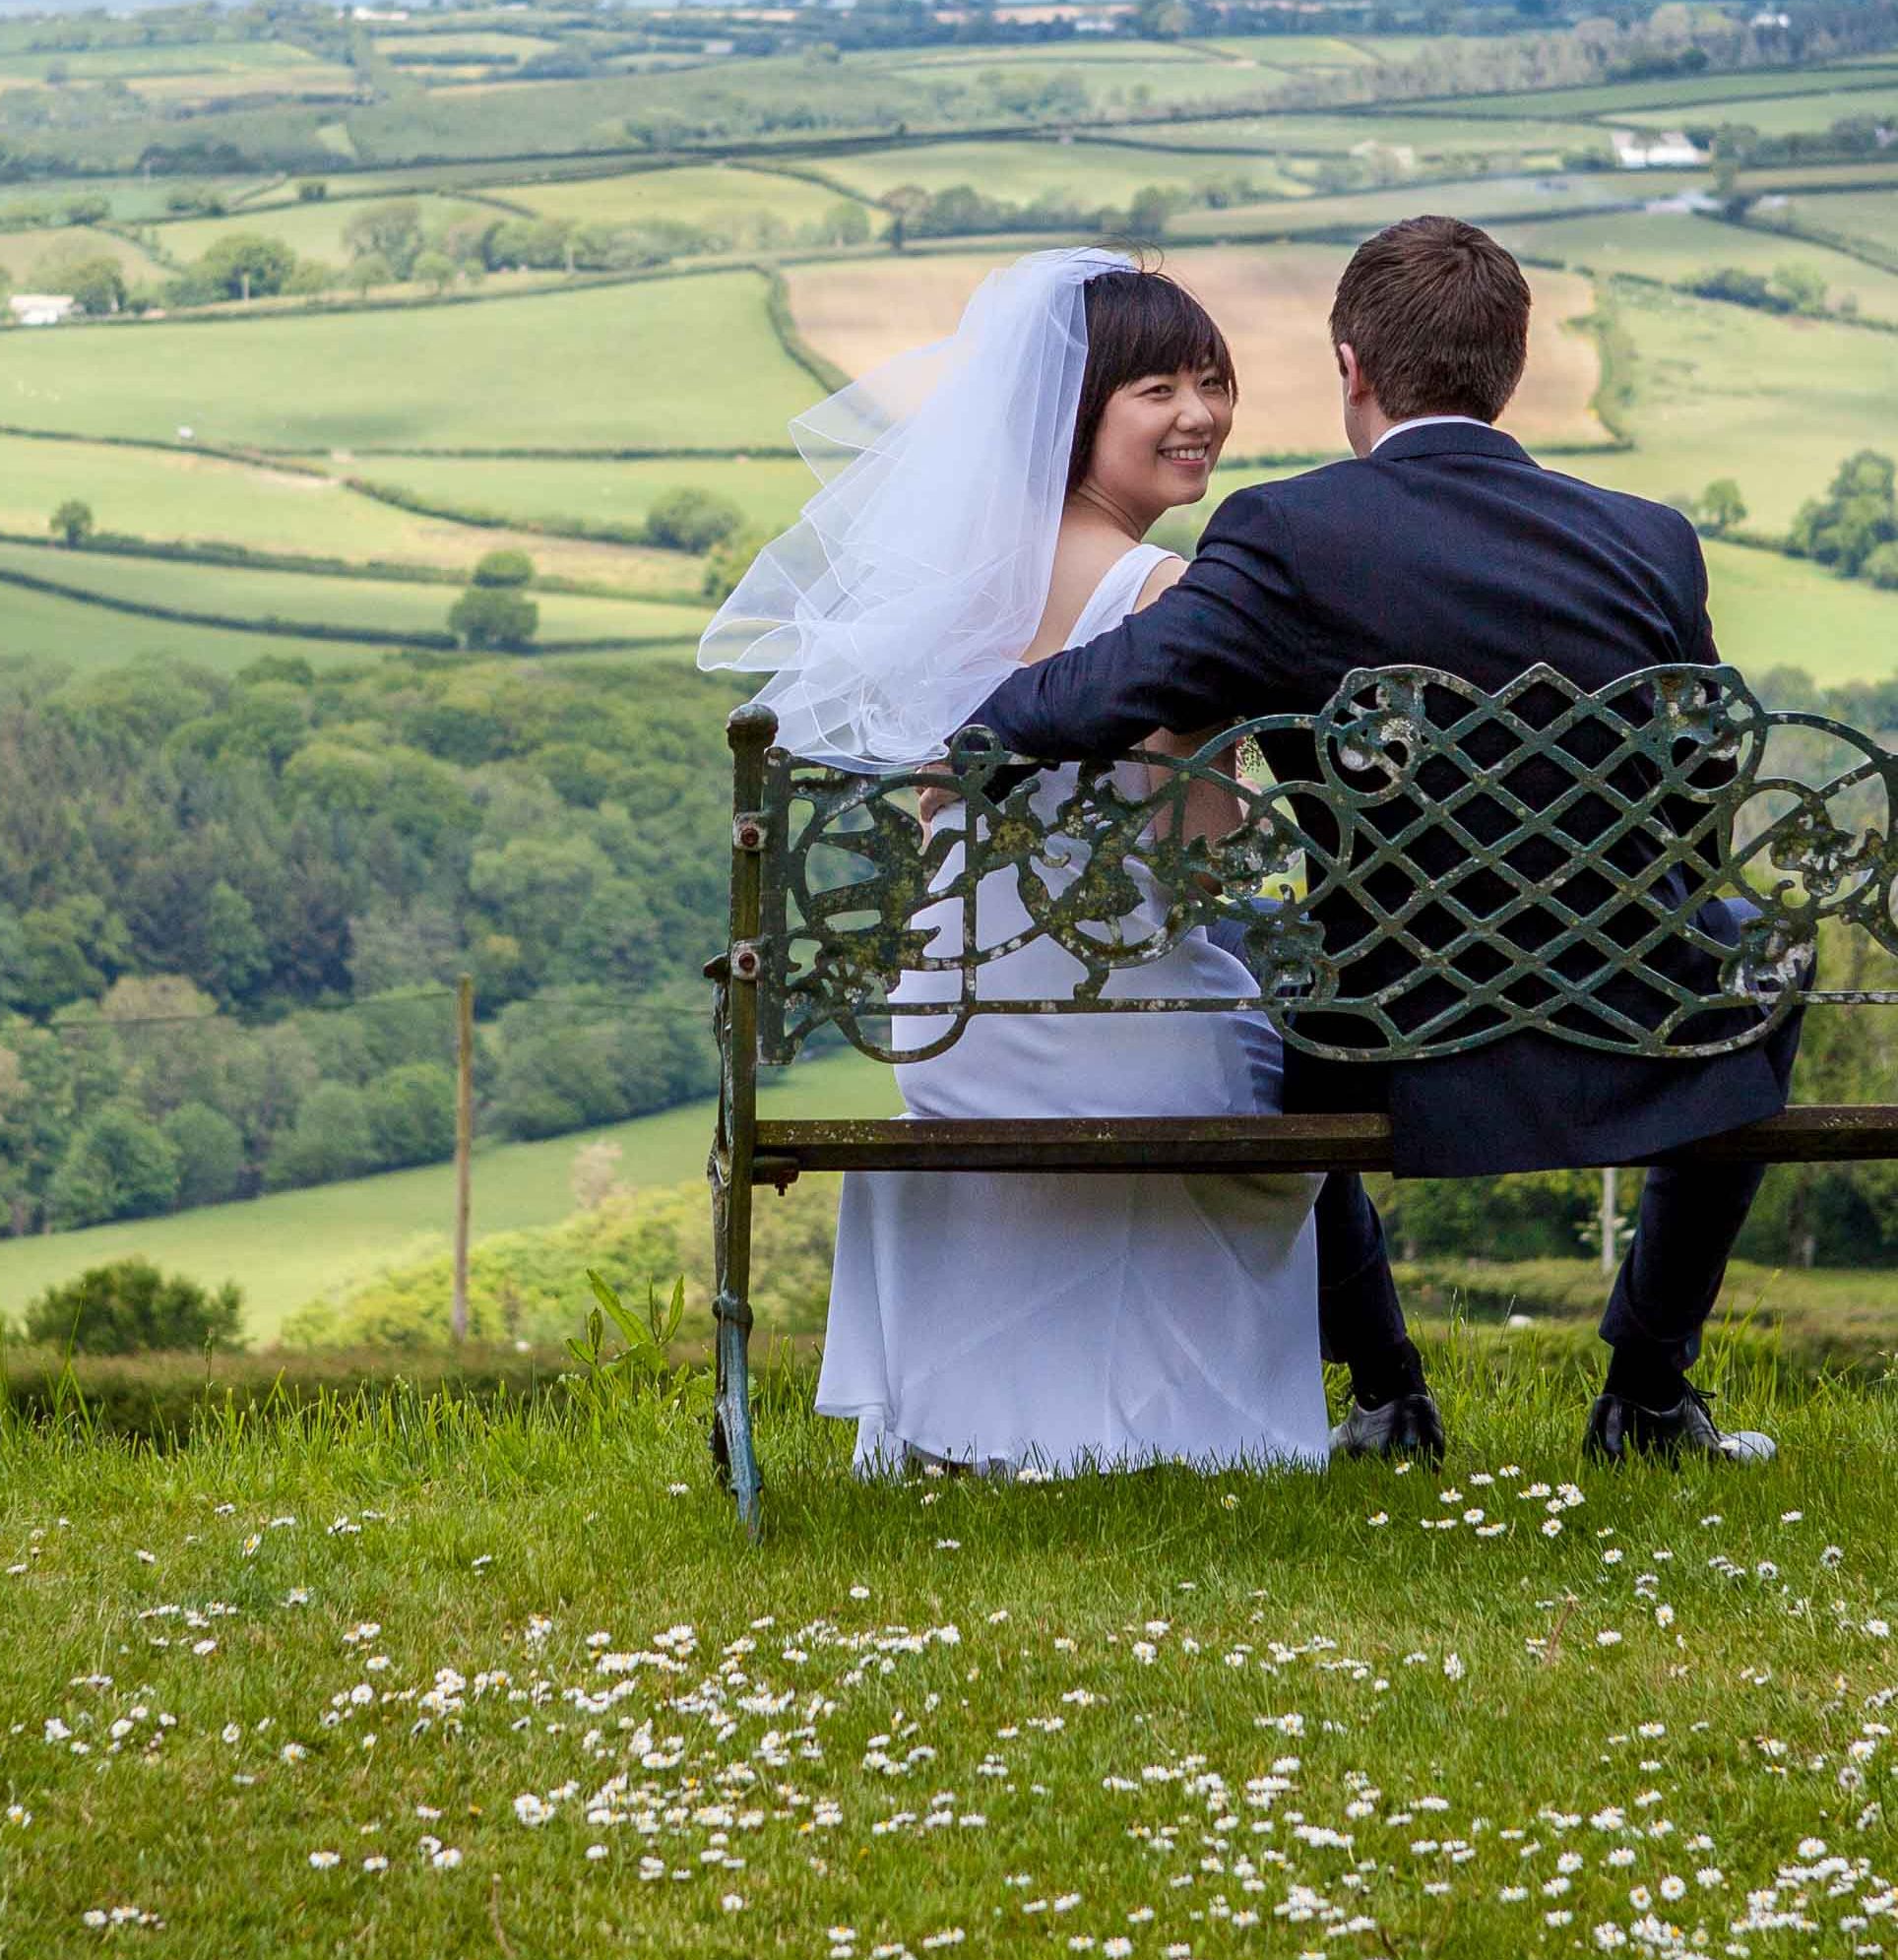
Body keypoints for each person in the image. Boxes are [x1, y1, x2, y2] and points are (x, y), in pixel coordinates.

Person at [954, 216, 1786, 1467]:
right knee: (1760, 970)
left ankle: (1391, 1391)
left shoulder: (1289, 534)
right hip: (1636, 1013)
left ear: (1351, 366)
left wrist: (964, 741)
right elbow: (1697, 773)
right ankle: (1651, 1389)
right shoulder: (1649, 538)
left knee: (1260, 978)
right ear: (1509, 364)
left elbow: (1112, 689)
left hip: (1384, 1029)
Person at [698, 249, 1327, 1477]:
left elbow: (942, 826)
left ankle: (978, 1427)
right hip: (1120, 1024)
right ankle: (1242, 1420)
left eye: (1213, 381)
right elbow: (1189, 867)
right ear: (1077, 412)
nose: (1199, 414)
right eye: (1157, 389)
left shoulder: (955, 587)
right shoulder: (1168, 595)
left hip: (949, 1024)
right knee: (1303, 1055)